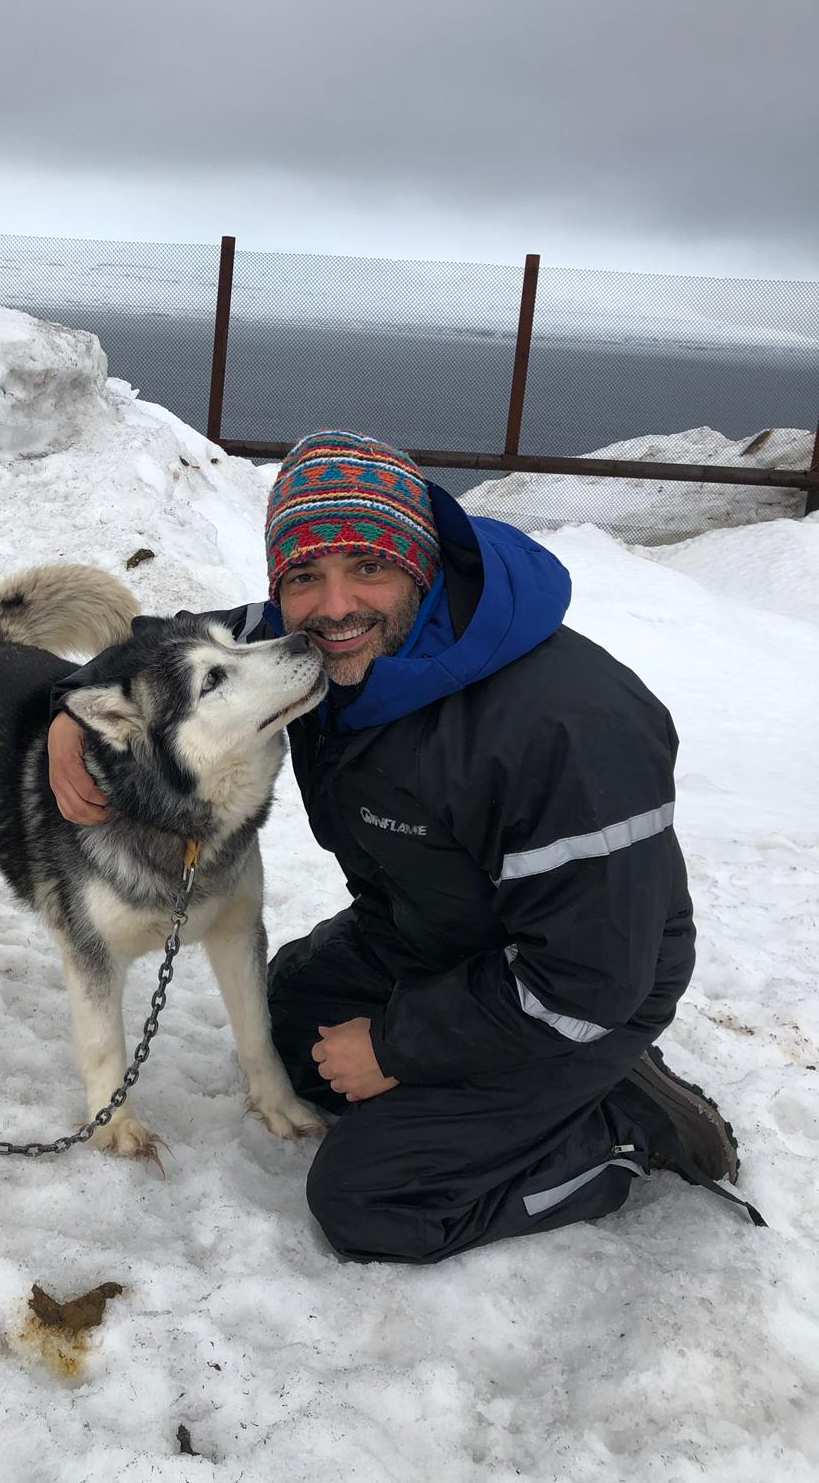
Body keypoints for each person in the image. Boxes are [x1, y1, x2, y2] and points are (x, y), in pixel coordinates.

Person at [49, 430, 762, 1262]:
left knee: (374, 1200)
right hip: (431, 932)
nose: (336, 605)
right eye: (305, 576)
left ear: (418, 567)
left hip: (581, 984)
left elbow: (593, 976)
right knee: (291, 1033)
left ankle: (624, 1123)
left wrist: (398, 1047)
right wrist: (72, 707)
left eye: (368, 567)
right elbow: (166, 651)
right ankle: (509, 1087)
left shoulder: (564, 730)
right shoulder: (307, 653)